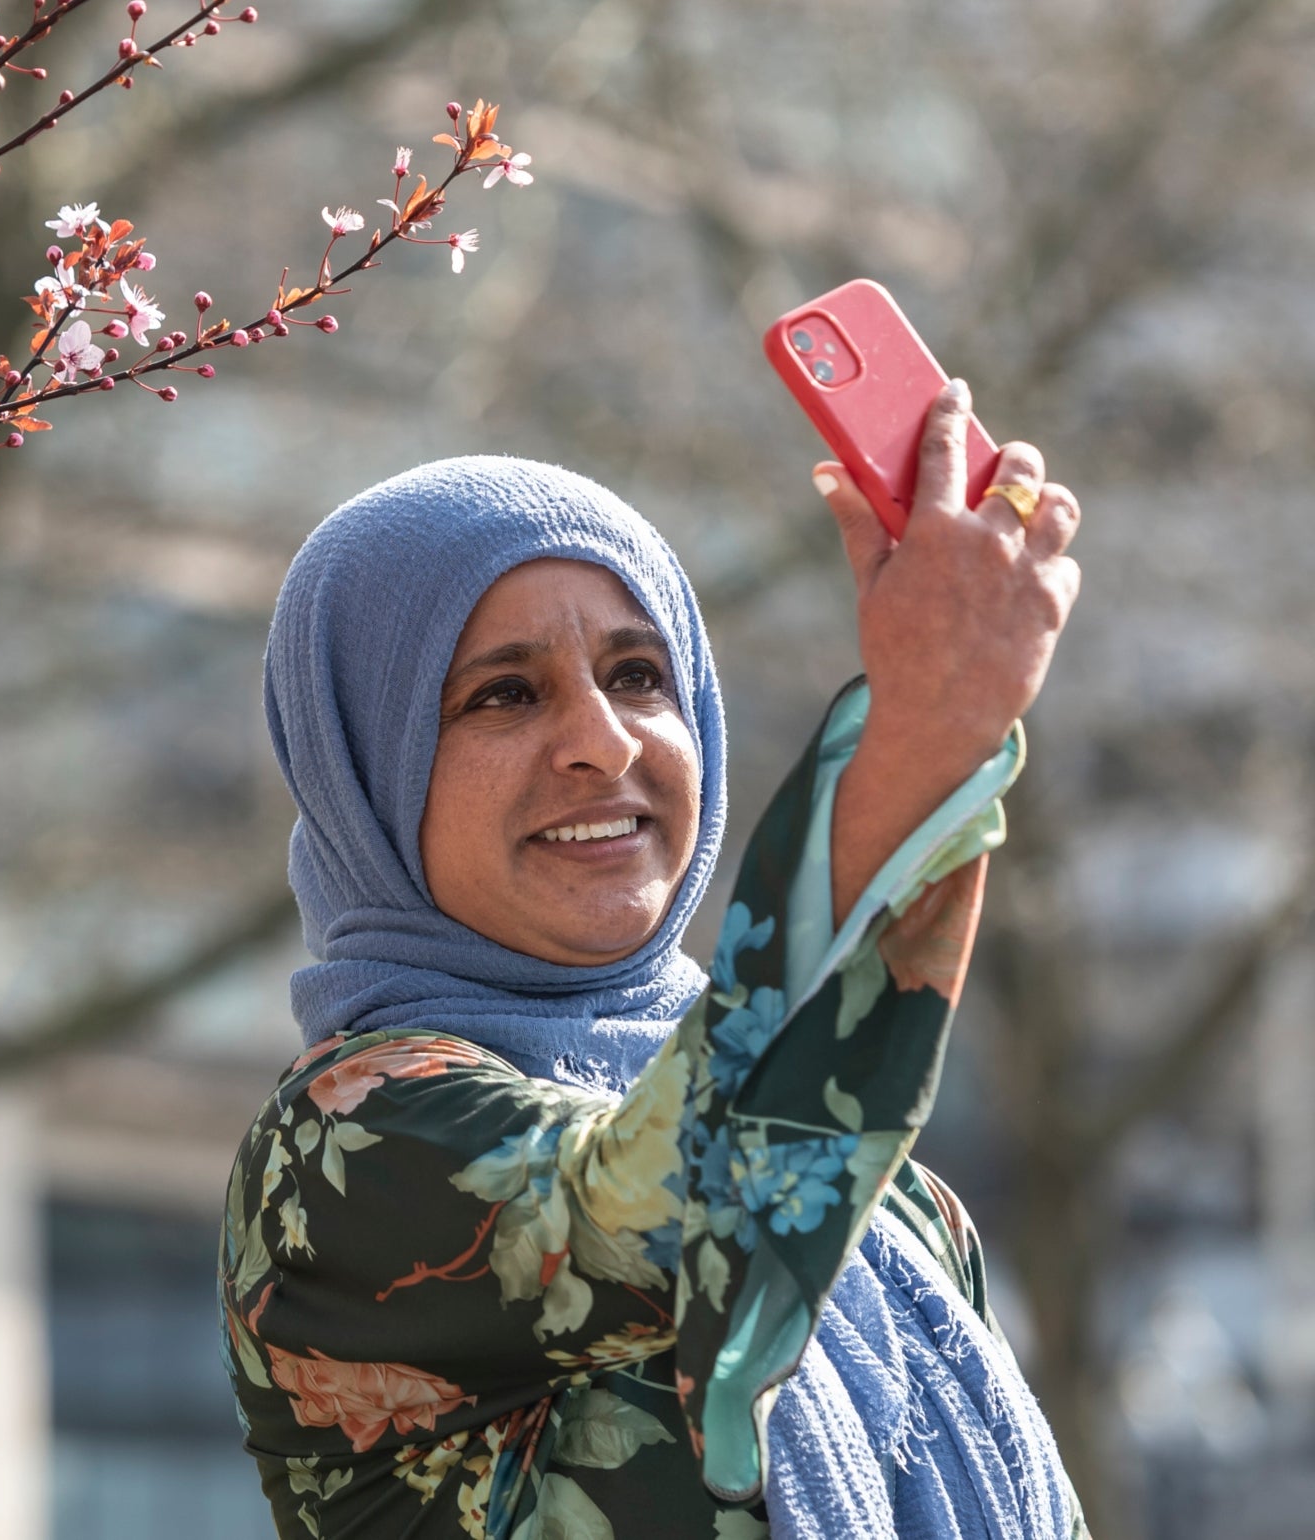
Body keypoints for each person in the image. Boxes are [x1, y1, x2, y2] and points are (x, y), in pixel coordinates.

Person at [222, 381, 1086, 1539]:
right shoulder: (347, 1144)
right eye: (505, 695)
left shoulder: (904, 1213)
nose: (603, 740)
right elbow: (696, 1205)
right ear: (363, 775)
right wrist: (925, 737)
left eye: (639, 675)